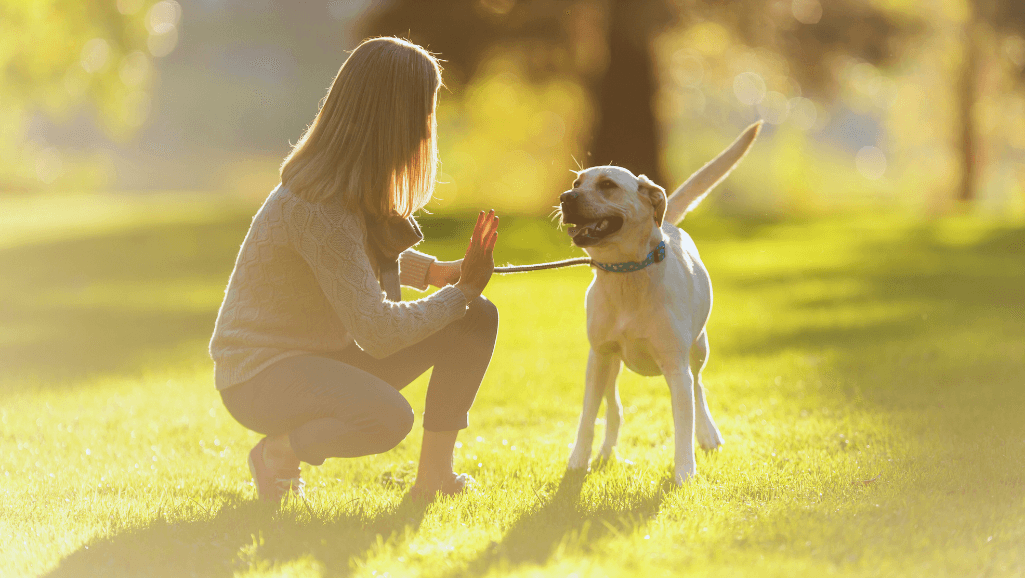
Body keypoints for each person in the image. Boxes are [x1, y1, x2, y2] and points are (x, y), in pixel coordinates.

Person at [209, 37, 500, 502]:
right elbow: (377, 330)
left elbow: (345, 263)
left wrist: (437, 275)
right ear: (395, 118)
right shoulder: (317, 206)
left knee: (475, 317)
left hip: (321, 353)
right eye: (424, 112)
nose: (428, 130)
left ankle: (434, 479)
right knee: (387, 418)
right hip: (260, 375)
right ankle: (278, 454)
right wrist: (459, 293)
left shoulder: (346, 190)